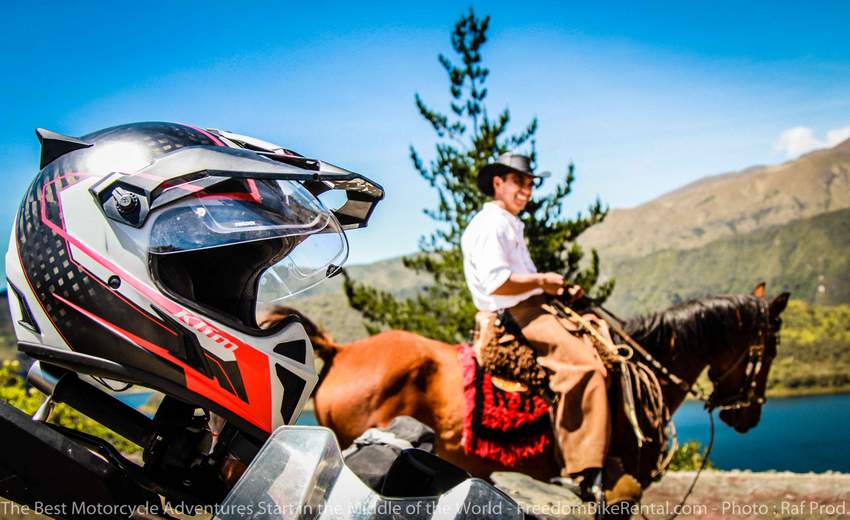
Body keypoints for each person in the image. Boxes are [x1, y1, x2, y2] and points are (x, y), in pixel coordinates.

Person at [460, 152, 610, 497]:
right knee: (585, 368)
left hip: (534, 307)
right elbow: (498, 284)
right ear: (498, 183)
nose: (527, 190)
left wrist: (558, 289)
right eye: (520, 182)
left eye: (530, 184)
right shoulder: (492, 225)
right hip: (517, 315)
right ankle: (583, 470)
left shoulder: (507, 223)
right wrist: (543, 281)